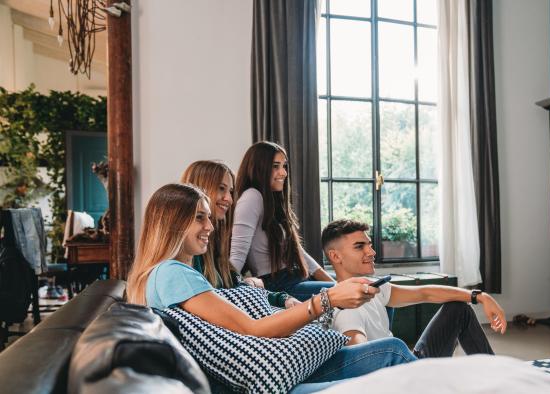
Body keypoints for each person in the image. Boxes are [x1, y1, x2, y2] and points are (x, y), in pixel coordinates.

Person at [126, 184, 417, 391]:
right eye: (199, 217)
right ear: (173, 222)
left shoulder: (160, 275)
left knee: (393, 349)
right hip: (266, 377)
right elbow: (254, 329)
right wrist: (327, 300)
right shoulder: (172, 274)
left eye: (209, 218)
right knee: (394, 360)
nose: (210, 227)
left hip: (266, 370)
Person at [321, 219, 508, 358]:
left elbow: (424, 292)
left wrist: (480, 296)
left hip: (406, 363)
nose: (371, 252)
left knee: (459, 309)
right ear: (336, 256)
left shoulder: (372, 287)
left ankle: (492, 373)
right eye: (359, 247)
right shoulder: (346, 310)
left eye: (369, 245)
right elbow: (360, 358)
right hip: (400, 377)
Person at [180, 160, 298, 308]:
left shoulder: (215, 245)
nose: (229, 199)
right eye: (221, 189)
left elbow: (234, 284)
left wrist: (283, 299)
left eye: (230, 191)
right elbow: (218, 301)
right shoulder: (190, 251)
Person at [231, 141, 334, 300]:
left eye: (284, 166)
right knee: (366, 291)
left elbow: (300, 253)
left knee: (372, 288)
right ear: (259, 168)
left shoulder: (272, 201)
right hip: (278, 285)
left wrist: (335, 283)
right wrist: (224, 292)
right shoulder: (252, 197)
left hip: (295, 278)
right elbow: (237, 254)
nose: (284, 172)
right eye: (275, 166)